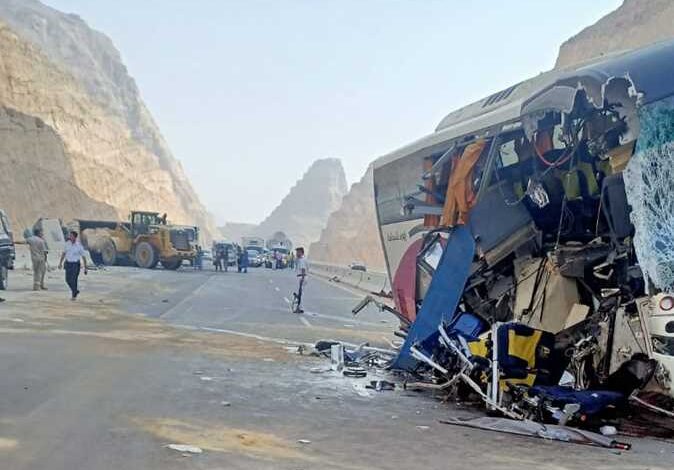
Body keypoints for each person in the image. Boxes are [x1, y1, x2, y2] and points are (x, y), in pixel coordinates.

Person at [58, 231, 88, 300]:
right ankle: (75, 291)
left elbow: (84, 257)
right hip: (68, 264)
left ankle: (73, 295)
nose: (70, 237)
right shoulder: (67, 244)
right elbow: (63, 254)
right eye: (70, 235)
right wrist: (60, 263)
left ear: (75, 237)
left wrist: (86, 268)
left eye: (71, 236)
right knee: (67, 279)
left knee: (74, 280)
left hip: (75, 264)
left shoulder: (79, 246)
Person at [293, 247, 308, 313]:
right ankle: (300, 308)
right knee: (300, 294)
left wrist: (302, 279)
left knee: (301, 294)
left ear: (301, 252)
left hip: (302, 277)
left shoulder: (302, 260)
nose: (296, 253)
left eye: (298, 252)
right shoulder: (301, 259)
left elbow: (303, 270)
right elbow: (295, 262)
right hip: (302, 277)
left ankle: (300, 308)